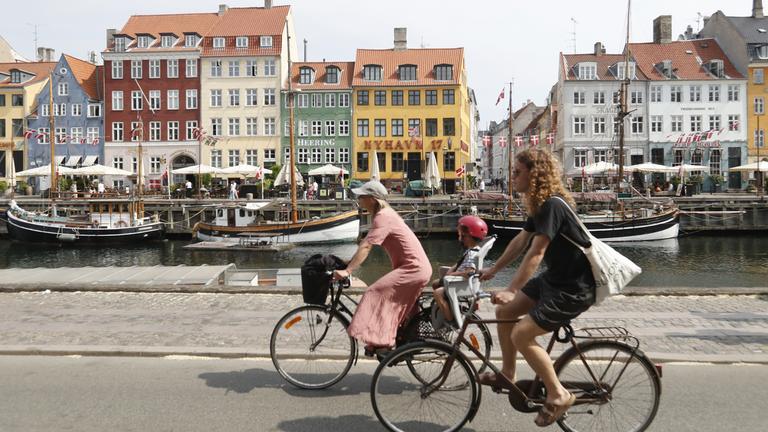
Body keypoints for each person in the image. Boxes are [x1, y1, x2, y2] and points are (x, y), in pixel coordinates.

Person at [478, 149, 596, 427]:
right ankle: (507, 373)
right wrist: (493, 270)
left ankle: (558, 394)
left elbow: (536, 252)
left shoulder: (552, 205)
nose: (513, 177)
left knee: (521, 334)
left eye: (518, 172)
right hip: (555, 280)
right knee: (506, 312)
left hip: (573, 288)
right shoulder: (541, 205)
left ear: (535, 174)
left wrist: (511, 288)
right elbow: (521, 241)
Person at [332, 180, 431, 356]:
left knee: (374, 292)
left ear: (372, 199)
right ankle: (398, 342)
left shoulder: (383, 217)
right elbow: (366, 245)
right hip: (416, 268)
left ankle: (381, 342)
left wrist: (348, 271)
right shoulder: (386, 214)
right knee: (394, 305)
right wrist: (349, 262)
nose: (359, 201)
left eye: (361, 197)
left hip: (413, 269)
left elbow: (367, 246)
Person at [431, 215, 487, 324]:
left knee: (437, 293)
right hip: (456, 281)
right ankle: (447, 307)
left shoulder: (472, 254)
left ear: (470, 236)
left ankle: (451, 320)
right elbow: (460, 263)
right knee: (435, 283)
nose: (460, 238)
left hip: (461, 284)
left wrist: (452, 274)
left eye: (462, 236)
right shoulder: (472, 250)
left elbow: (469, 272)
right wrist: (452, 270)